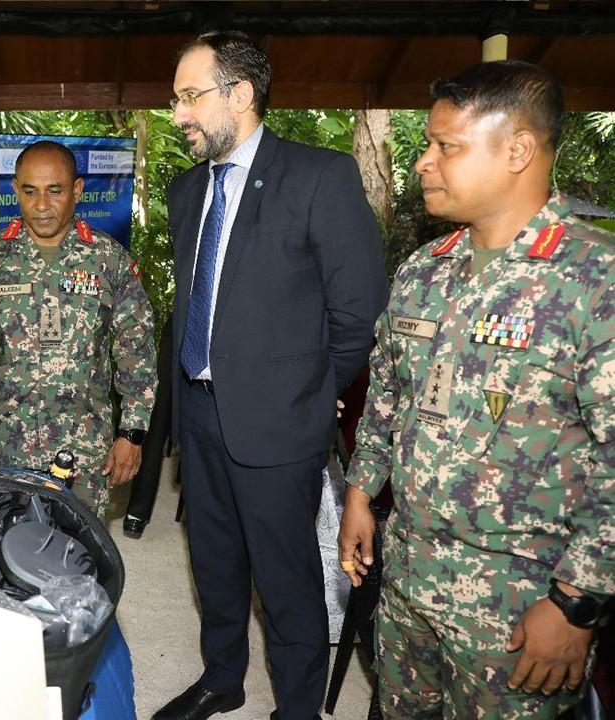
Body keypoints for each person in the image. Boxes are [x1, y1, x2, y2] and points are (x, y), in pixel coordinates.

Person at [338, 60, 613, 719]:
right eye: (429, 145)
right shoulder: (423, 272)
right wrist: (358, 494)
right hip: (409, 577)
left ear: (518, 148)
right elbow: (389, 401)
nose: (424, 163)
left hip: (521, 604)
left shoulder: (593, 281)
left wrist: (577, 602)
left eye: (446, 147)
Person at [156, 32, 388, 720]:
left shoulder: (320, 177)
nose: (178, 115)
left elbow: (360, 315)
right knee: (214, 563)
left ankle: (295, 708)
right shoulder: (186, 189)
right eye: (175, 99)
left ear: (242, 95)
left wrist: (303, 393)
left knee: (286, 585)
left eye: (190, 96)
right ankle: (222, 678)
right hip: (197, 415)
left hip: (280, 424)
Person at [0, 141, 157, 518]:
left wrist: (133, 433)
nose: (41, 205)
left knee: (82, 559)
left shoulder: (109, 261)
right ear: (16, 191)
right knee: (4, 553)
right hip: (7, 448)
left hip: (86, 452)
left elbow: (135, 349)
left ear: (76, 190)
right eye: (30, 190)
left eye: (54, 190)